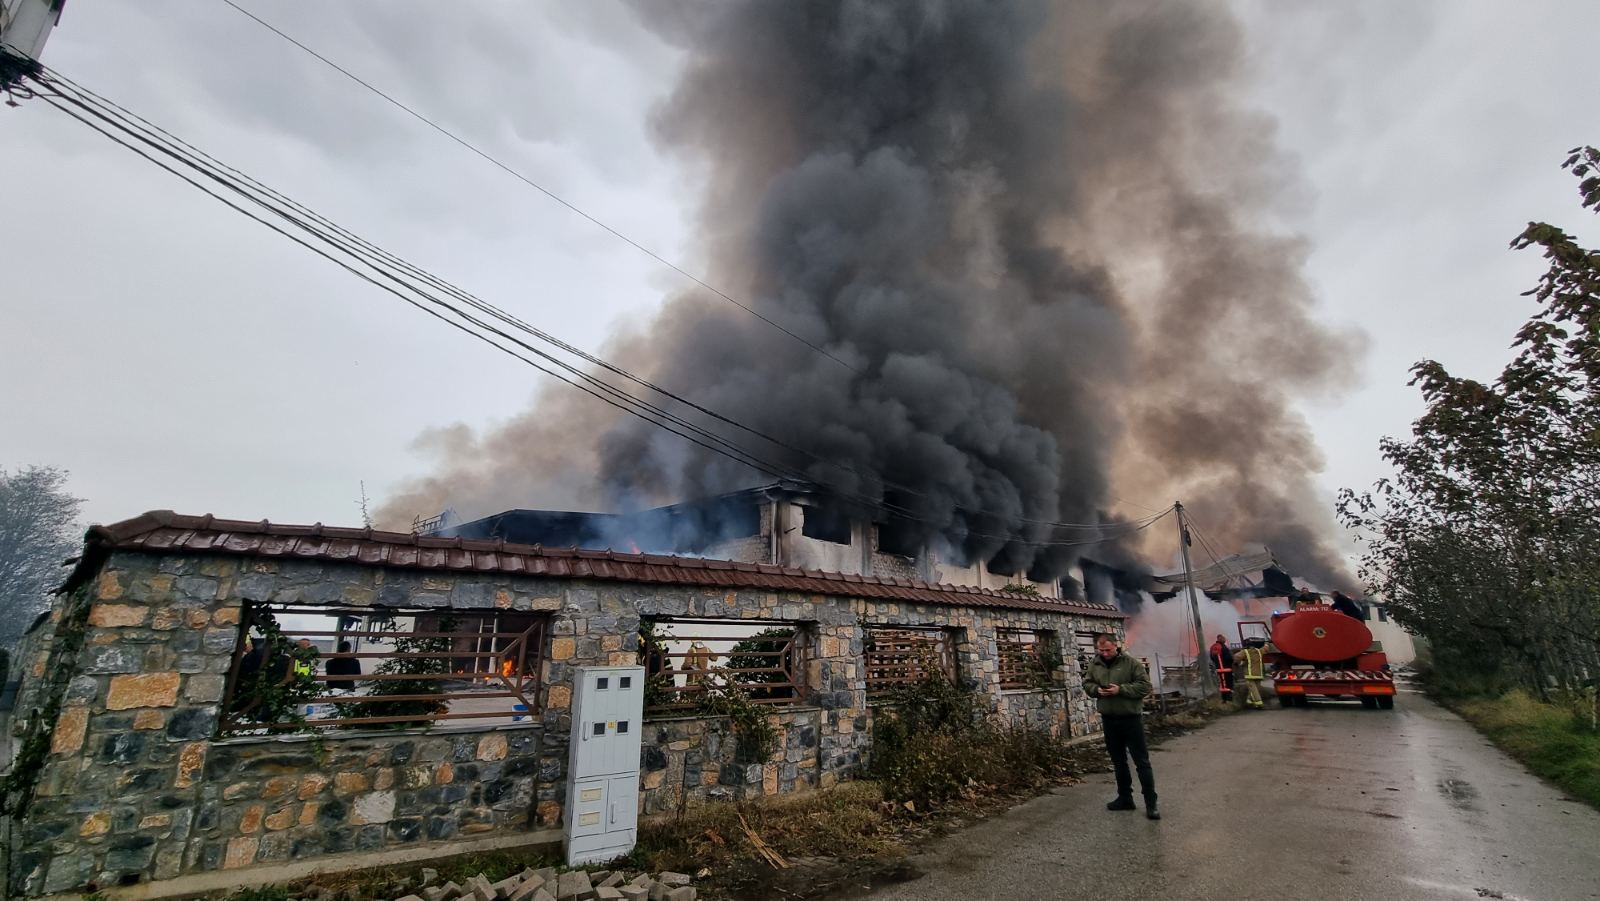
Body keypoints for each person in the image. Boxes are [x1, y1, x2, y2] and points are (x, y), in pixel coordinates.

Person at [1083, 633, 1158, 820]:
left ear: (1116, 646)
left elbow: (1145, 686)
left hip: (1131, 719)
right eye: (1101, 650)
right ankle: (1125, 798)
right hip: (1109, 719)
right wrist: (1096, 690)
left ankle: (1151, 804)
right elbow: (1087, 683)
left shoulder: (1131, 664)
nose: (1105, 654)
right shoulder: (1095, 664)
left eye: (1108, 650)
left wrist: (1121, 690)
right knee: (1118, 761)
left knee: (1141, 762)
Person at [1236, 637, 1267, 709]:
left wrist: (1240, 663)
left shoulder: (1245, 651)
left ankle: (1259, 704)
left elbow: (1237, 656)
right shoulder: (1259, 651)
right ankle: (1249, 702)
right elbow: (1266, 649)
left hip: (1250, 674)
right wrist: (1266, 644)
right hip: (1259, 674)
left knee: (1253, 689)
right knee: (1255, 689)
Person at [1209, 633, 1234, 701]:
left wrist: (1217, 664)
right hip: (1226, 668)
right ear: (1221, 639)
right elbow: (1229, 658)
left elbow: (1212, 657)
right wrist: (1232, 663)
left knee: (1222, 684)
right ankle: (1228, 699)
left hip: (1219, 669)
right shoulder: (1223, 647)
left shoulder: (1213, 647)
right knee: (1228, 684)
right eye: (1224, 638)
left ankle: (1224, 698)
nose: (1225, 639)